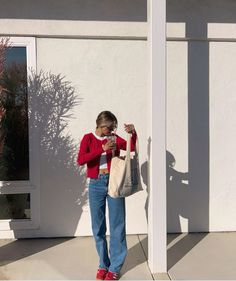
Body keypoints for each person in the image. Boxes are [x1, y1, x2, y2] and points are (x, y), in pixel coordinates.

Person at [77, 111, 137, 280]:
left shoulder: (114, 138)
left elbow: (131, 147)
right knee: (98, 227)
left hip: (114, 182)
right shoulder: (88, 138)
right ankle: (103, 264)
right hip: (96, 184)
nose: (111, 130)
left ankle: (115, 267)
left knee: (117, 225)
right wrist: (101, 150)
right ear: (100, 125)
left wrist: (132, 133)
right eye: (108, 127)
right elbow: (81, 160)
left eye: (113, 127)